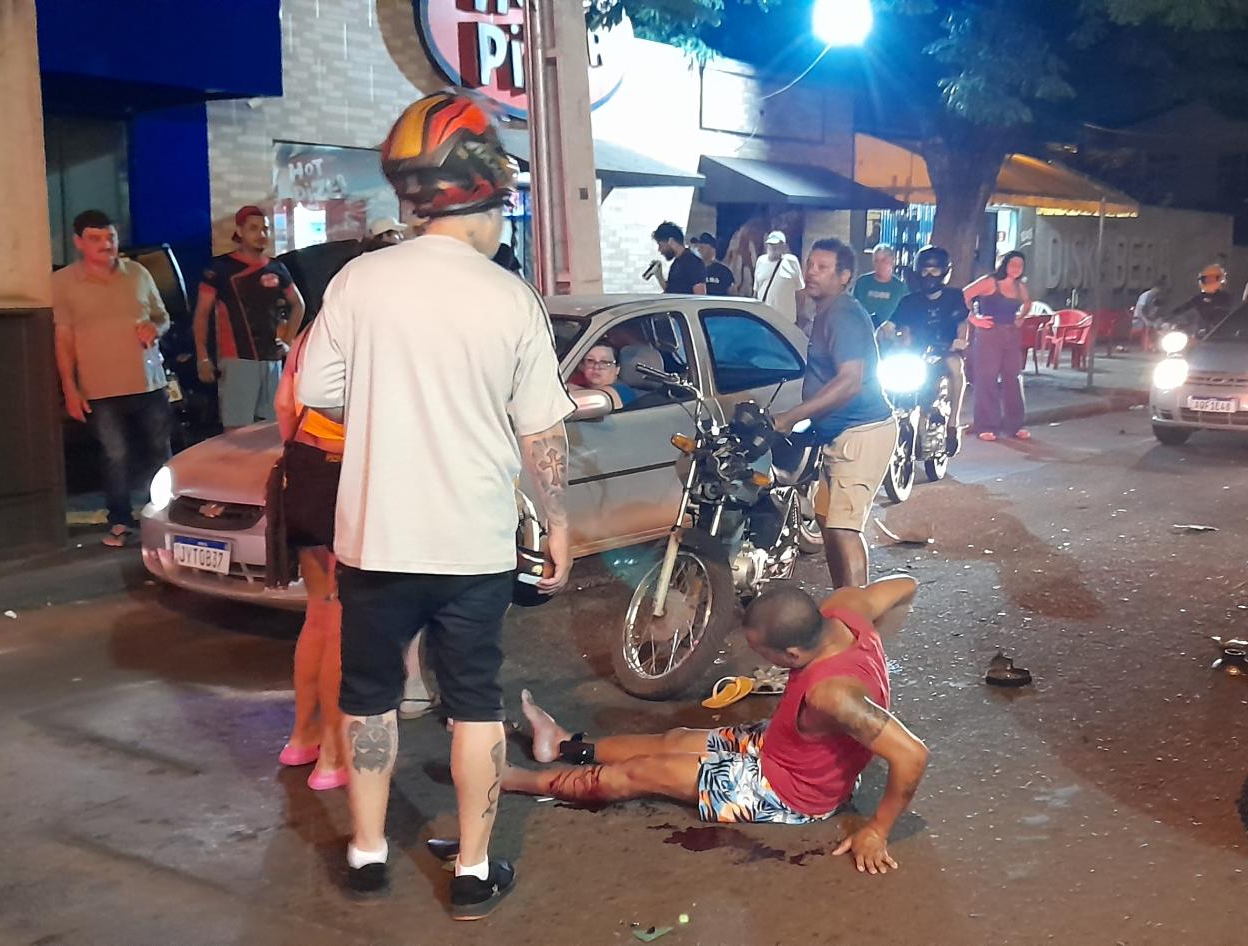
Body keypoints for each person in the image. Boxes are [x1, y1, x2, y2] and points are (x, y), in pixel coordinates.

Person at [297, 91, 575, 917]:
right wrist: (557, 524)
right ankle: (472, 871)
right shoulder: (508, 298)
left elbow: (318, 392)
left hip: (375, 541)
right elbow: (541, 437)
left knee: (370, 695)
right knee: (475, 704)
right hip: (472, 548)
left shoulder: (358, 282)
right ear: (484, 193)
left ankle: (368, 851)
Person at [504, 578, 928, 875]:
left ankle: (520, 781)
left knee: (646, 772)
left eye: (766, 654)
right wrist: (878, 648)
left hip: (790, 790)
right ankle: (563, 746)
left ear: (795, 654)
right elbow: (905, 584)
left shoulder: (833, 696)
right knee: (674, 741)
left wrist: (876, 830)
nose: (760, 661)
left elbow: (912, 755)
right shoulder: (848, 608)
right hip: (779, 744)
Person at [772, 239, 895, 589]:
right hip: (838, 433)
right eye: (810, 264)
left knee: (844, 529)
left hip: (863, 432)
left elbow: (850, 381)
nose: (811, 272)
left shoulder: (842, 312)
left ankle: (859, 624)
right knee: (828, 521)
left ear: (844, 277)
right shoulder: (826, 312)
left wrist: (791, 417)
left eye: (822, 267)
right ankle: (846, 602)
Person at [51, 209, 173, 548]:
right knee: (114, 455)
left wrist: (156, 328)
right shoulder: (63, 283)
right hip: (100, 388)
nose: (106, 245)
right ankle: (120, 521)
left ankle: (165, 519)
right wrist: (70, 389)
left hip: (149, 382)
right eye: (96, 239)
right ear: (78, 243)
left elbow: (163, 317)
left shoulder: (137, 273)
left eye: (111, 237)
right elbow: (63, 341)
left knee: (159, 453)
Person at [272, 332, 349, 792]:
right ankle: (334, 757)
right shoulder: (361, 330)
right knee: (343, 620)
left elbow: (285, 402)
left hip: (302, 464)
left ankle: (302, 738)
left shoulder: (307, 336)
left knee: (318, 612)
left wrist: (300, 454)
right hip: (346, 473)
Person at [194, 205, 306, 429]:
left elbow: (298, 305)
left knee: (272, 428)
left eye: (265, 229)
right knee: (237, 431)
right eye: (254, 228)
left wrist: (287, 342)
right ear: (240, 231)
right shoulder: (221, 269)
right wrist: (203, 357)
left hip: (272, 360)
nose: (261, 234)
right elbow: (202, 315)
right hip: (237, 360)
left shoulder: (277, 267)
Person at [879, 245, 968, 452]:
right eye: (925, 270)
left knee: (956, 367)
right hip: (916, 353)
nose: (929, 275)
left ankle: (953, 423)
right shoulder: (909, 301)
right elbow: (891, 325)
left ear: (944, 272)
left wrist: (960, 340)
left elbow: (962, 323)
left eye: (934, 270)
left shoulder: (954, 297)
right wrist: (882, 334)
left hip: (945, 349)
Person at [963, 250, 1032, 443]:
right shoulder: (990, 282)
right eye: (1013, 264)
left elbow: (1027, 302)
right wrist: (974, 319)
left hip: (1011, 335)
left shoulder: (1020, 286)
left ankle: (1015, 425)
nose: (1017, 268)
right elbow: (964, 295)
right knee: (987, 379)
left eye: (1020, 265)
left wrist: (1021, 317)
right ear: (1005, 264)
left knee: (1013, 377)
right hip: (989, 335)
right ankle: (985, 426)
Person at [754, 230, 806, 326]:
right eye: (770, 245)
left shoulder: (791, 261)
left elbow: (800, 291)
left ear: (784, 247)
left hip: (786, 319)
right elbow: (756, 290)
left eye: (777, 245)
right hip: (764, 318)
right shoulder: (760, 261)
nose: (773, 248)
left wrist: (797, 313)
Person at [853, 243, 910, 329]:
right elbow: (853, 307)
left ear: (892, 260)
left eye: (884, 260)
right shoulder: (862, 282)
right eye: (876, 260)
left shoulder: (900, 287)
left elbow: (905, 314)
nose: (880, 264)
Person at [1169, 263, 1233, 337]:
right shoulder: (1200, 297)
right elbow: (1187, 306)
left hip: (1222, 332)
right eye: (1207, 279)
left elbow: (1230, 311)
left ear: (1221, 279)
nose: (1209, 281)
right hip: (1201, 330)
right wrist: (1172, 315)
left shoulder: (1225, 297)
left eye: (1212, 279)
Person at [568, 342, 637, 409]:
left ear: (617, 369)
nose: (596, 367)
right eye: (590, 361)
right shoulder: (581, 385)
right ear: (582, 366)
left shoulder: (621, 390)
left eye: (605, 362)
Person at [645, 222, 706, 295]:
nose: (659, 250)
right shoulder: (676, 263)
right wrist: (659, 276)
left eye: (660, 245)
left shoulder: (693, 262)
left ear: (671, 241)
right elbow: (671, 292)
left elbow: (700, 297)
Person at [1133, 275, 1167, 350]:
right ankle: (1150, 346)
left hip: (1151, 319)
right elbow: (1140, 311)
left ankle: (1159, 346)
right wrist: (1147, 321)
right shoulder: (1145, 296)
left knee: (1164, 326)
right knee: (1152, 326)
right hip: (1140, 319)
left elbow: (1157, 311)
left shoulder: (1158, 297)